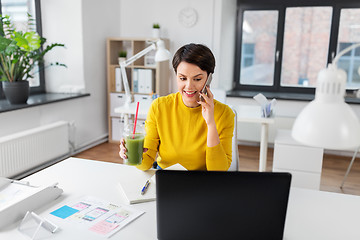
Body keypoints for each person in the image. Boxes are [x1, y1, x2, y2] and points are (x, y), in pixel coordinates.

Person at [119, 43, 234, 171]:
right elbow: (145, 164)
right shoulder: (159, 107)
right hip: (166, 179)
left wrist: (211, 123)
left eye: (197, 79)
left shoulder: (225, 114)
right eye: (182, 78)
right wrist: (131, 154)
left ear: (209, 78)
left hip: (202, 182)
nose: (189, 86)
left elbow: (218, 171)